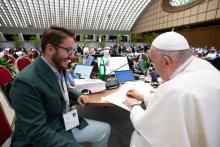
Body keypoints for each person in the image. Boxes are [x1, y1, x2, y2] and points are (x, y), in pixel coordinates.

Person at [9, 26, 110, 147]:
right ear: (50, 49)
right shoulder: (25, 83)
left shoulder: (55, 65)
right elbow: (38, 134)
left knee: (105, 130)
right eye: (68, 50)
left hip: (61, 122)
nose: (72, 56)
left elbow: (61, 88)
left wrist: (77, 95)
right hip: (40, 137)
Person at [124, 31, 220, 147]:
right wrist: (144, 96)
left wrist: (134, 105)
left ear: (166, 61)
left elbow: (145, 124)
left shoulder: (174, 89)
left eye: (153, 62)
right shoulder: (206, 66)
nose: (153, 66)